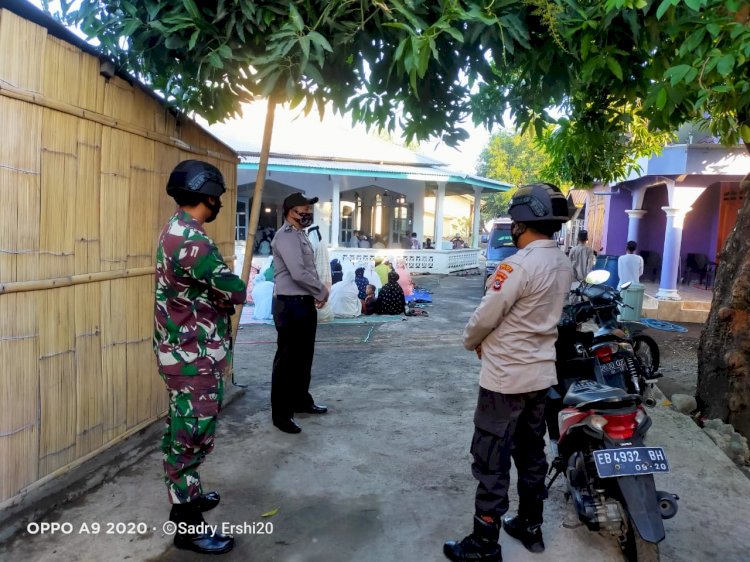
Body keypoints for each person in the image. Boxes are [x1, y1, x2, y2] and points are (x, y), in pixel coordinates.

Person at [444, 183, 574, 562]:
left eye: (515, 221)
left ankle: (484, 543)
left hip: (504, 380)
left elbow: (487, 315)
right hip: (539, 377)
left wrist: (472, 341)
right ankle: (530, 526)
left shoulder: (518, 265)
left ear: (523, 221)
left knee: (491, 457)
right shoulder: (561, 262)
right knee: (531, 454)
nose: (513, 227)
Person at [153, 160, 246, 555]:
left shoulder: (175, 229)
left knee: (184, 429)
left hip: (183, 352)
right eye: (218, 197)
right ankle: (187, 528)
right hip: (193, 358)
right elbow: (235, 289)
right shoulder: (193, 242)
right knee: (189, 439)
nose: (219, 203)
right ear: (207, 194)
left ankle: (189, 494)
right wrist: (226, 292)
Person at [270, 193, 329, 434]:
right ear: (290, 211)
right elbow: (298, 272)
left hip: (302, 302)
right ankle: (281, 415)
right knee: (287, 362)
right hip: (290, 304)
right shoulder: (285, 236)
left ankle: (301, 401)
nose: (308, 213)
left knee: (304, 357)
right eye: (303, 209)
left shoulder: (300, 235)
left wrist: (315, 294)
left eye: (309, 210)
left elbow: (309, 269)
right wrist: (321, 290)